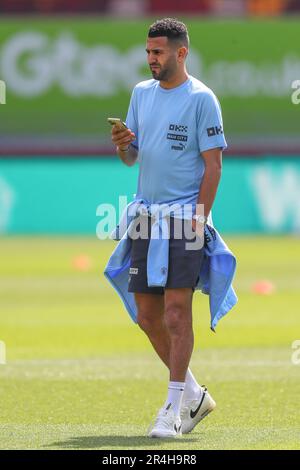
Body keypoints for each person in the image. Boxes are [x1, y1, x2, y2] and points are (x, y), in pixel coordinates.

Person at [110, 18, 233, 438]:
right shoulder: (140, 94)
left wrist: (200, 218)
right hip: (146, 216)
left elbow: (214, 165)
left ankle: (173, 408)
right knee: (148, 315)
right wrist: (126, 145)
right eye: (148, 52)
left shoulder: (202, 99)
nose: (151, 60)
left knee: (178, 313)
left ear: (181, 53)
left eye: (158, 52)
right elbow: (132, 159)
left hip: (184, 218)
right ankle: (195, 394)